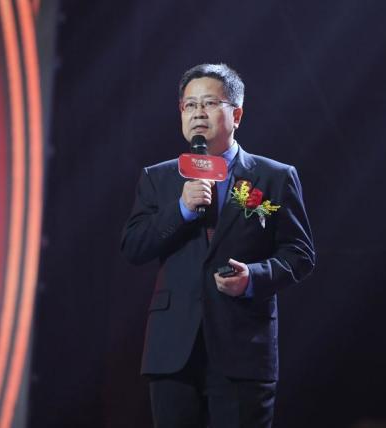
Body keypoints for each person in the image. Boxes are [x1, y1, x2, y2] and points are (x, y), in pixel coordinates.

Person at [121, 63, 315, 428]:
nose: (198, 113)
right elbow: (133, 246)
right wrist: (181, 209)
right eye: (189, 105)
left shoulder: (274, 177)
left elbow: (300, 254)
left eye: (209, 103)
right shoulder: (159, 178)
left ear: (236, 115)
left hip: (243, 349)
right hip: (173, 351)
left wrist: (253, 278)